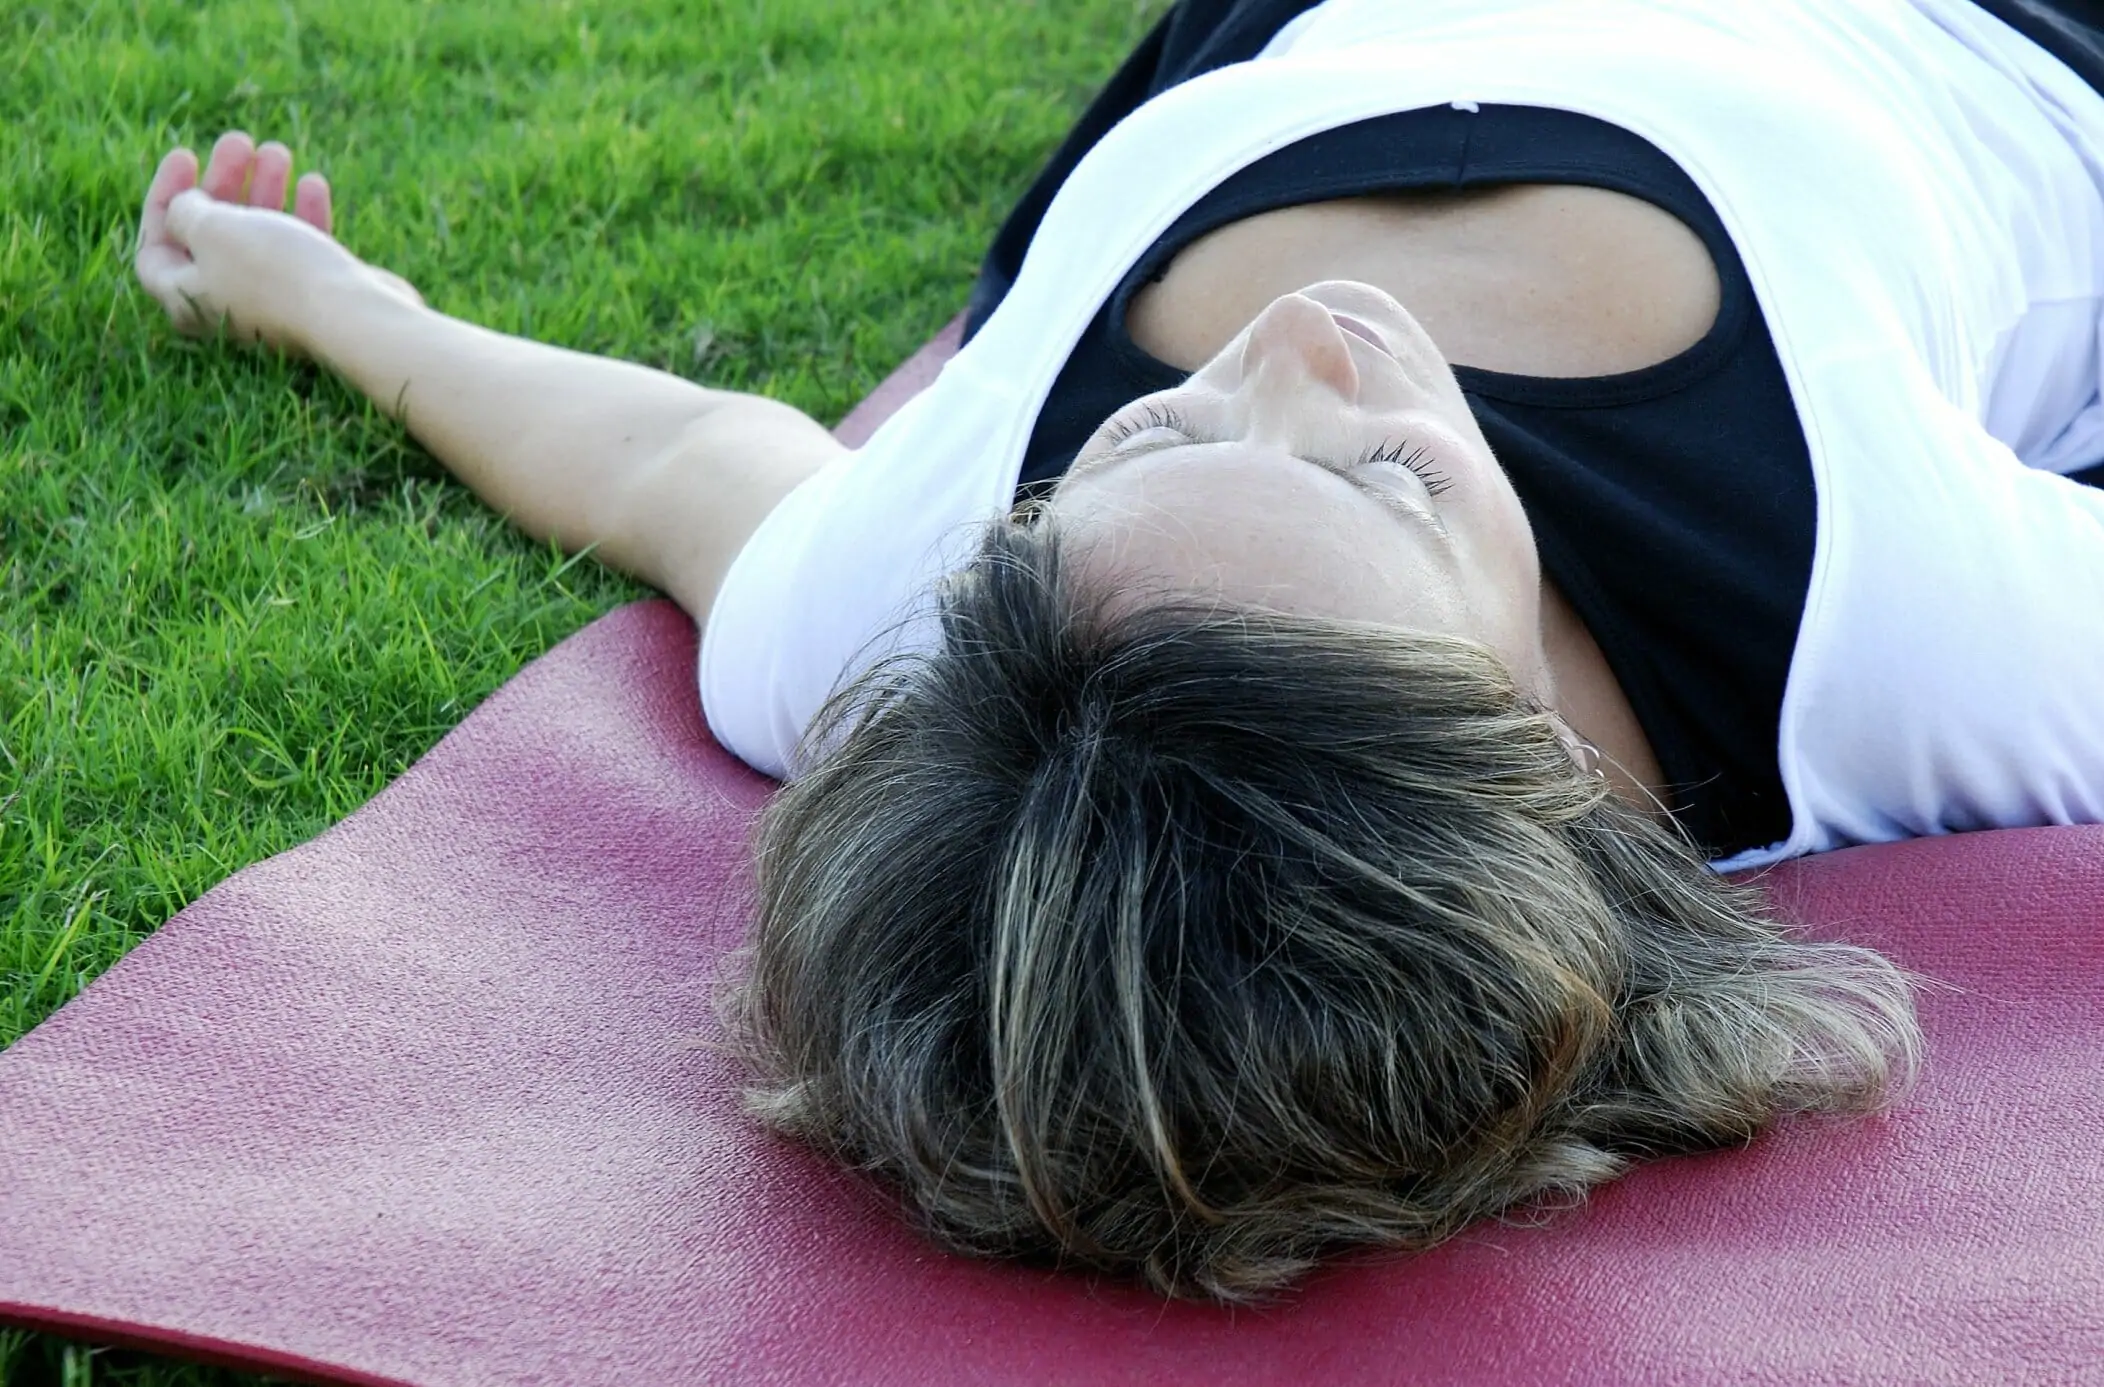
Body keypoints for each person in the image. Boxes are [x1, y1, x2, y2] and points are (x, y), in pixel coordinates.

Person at [134, 0, 2104, 1301]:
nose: (1304, 344)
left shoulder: (925, 607)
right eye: (1388, 485)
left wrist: (346, 307)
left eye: (1147, 437)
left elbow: (683, 460)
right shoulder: (1901, 629)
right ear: (1527, 762)